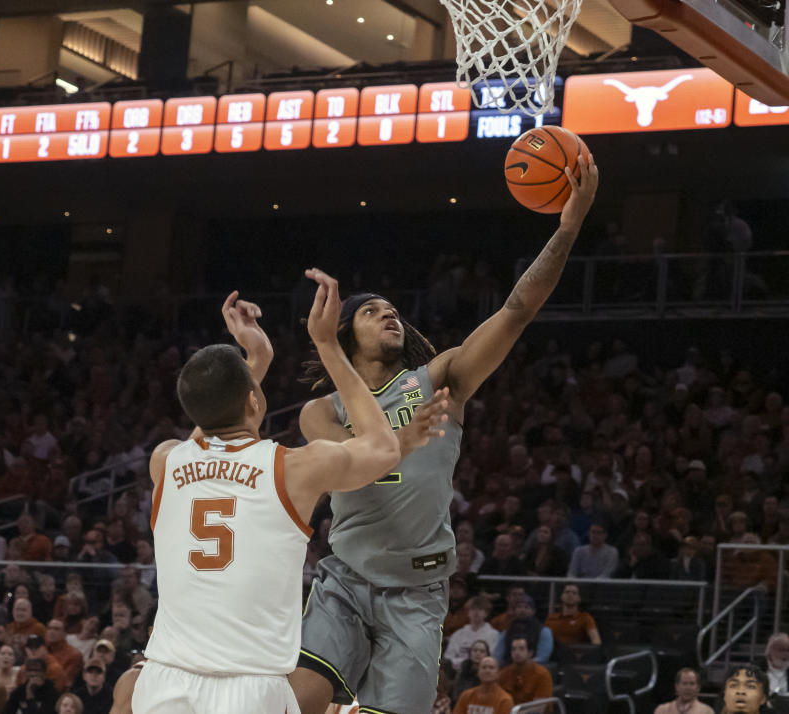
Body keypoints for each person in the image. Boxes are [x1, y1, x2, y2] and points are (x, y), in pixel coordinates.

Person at [292, 159, 599, 714]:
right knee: (296, 699)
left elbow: (517, 309)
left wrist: (568, 229)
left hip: (418, 592)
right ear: (344, 333)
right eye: (374, 312)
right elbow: (359, 461)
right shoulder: (320, 410)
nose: (391, 316)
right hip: (346, 581)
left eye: (394, 311)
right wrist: (336, 361)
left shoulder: (439, 378)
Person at [133, 276, 438, 714]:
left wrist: (255, 361)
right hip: (250, 690)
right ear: (254, 404)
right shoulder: (292, 468)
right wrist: (328, 344)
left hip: (163, 681)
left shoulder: (165, 462)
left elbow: (206, 421)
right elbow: (384, 446)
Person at [445, 597, 500, 671]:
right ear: (468, 613)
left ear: (486, 613)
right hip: (458, 672)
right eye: (473, 609)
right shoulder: (458, 634)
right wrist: (465, 664)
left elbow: (492, 658)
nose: (476, 612)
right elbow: (448, 657)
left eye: (480, 609)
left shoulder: (494, 635)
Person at [497, 638, 553, 706]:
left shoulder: (542, 674)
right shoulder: (504, 673)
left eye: (521, 649)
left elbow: (540, 706)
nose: (517, 653)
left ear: (530, 653)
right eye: (513, 649)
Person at [764, 632, 789, 698]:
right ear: (770, 650)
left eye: (788, 650)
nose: (786, 654)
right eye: (782, 650)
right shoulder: (758, 668)